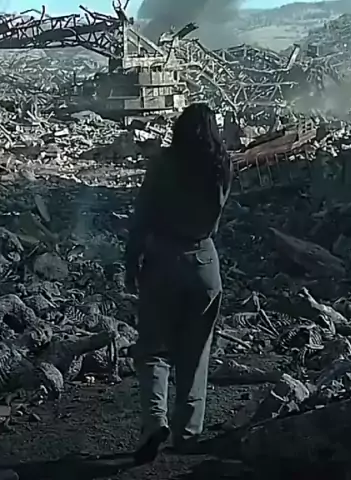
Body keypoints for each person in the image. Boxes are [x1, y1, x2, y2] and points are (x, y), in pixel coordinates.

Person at [125, 103, 233, 464]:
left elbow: (142, 215)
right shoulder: (222, 165)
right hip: (204, 261)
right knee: (196, 352)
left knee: (153, 348)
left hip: (163, 259)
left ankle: (155, 421)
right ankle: (187, 433)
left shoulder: (163, 164)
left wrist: (132, 261)